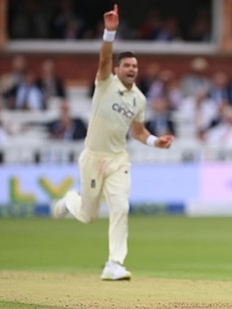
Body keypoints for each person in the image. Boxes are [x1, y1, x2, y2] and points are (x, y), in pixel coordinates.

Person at [52, 4, 174, 281]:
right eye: (127, 65)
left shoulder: (139, 99)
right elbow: (104, 58)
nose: (132, 69)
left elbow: (139, 131)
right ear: (117, 69)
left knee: (121, 207)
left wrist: (156, 142)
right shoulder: (105, 82)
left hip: (119, 160)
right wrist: (109, 32)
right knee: (88, 215)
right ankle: (69, 201)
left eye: (135, 66)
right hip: (93, 157)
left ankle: (114, 263)